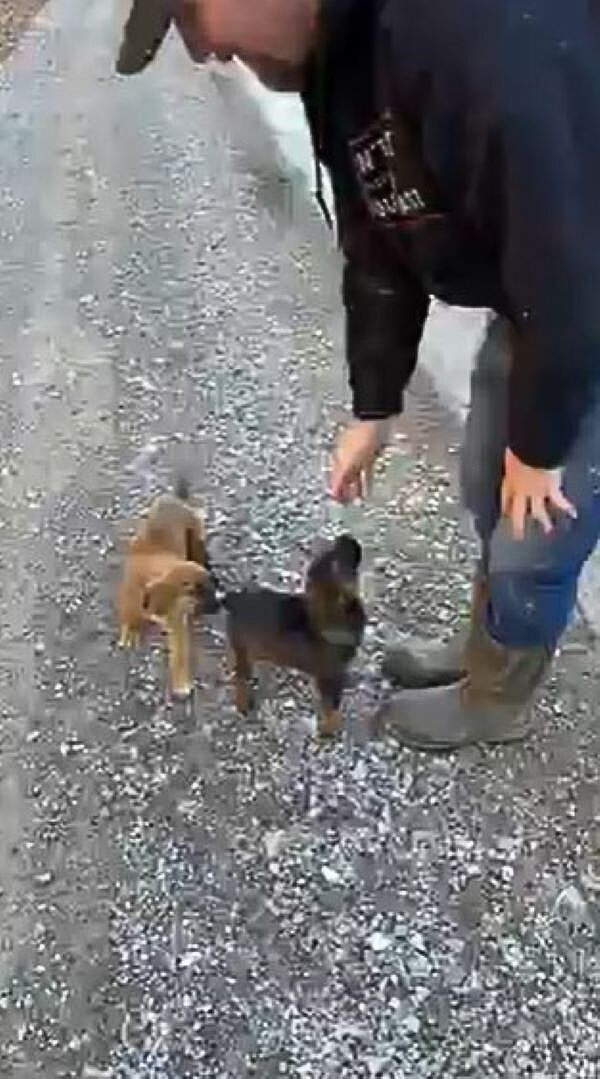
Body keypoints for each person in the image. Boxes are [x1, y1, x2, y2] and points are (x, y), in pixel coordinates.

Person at [117, 0, 600, 750]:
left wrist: (538, 448)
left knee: (534, 533)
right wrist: (374, 407)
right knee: (486, 484)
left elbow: (572, 271)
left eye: (192, 22)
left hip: (581, 296)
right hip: (542, 299)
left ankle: (499, 698)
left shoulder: (468, 33)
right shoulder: (341, 62)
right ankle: (487, 647)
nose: (205, 55)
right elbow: (379, 243)